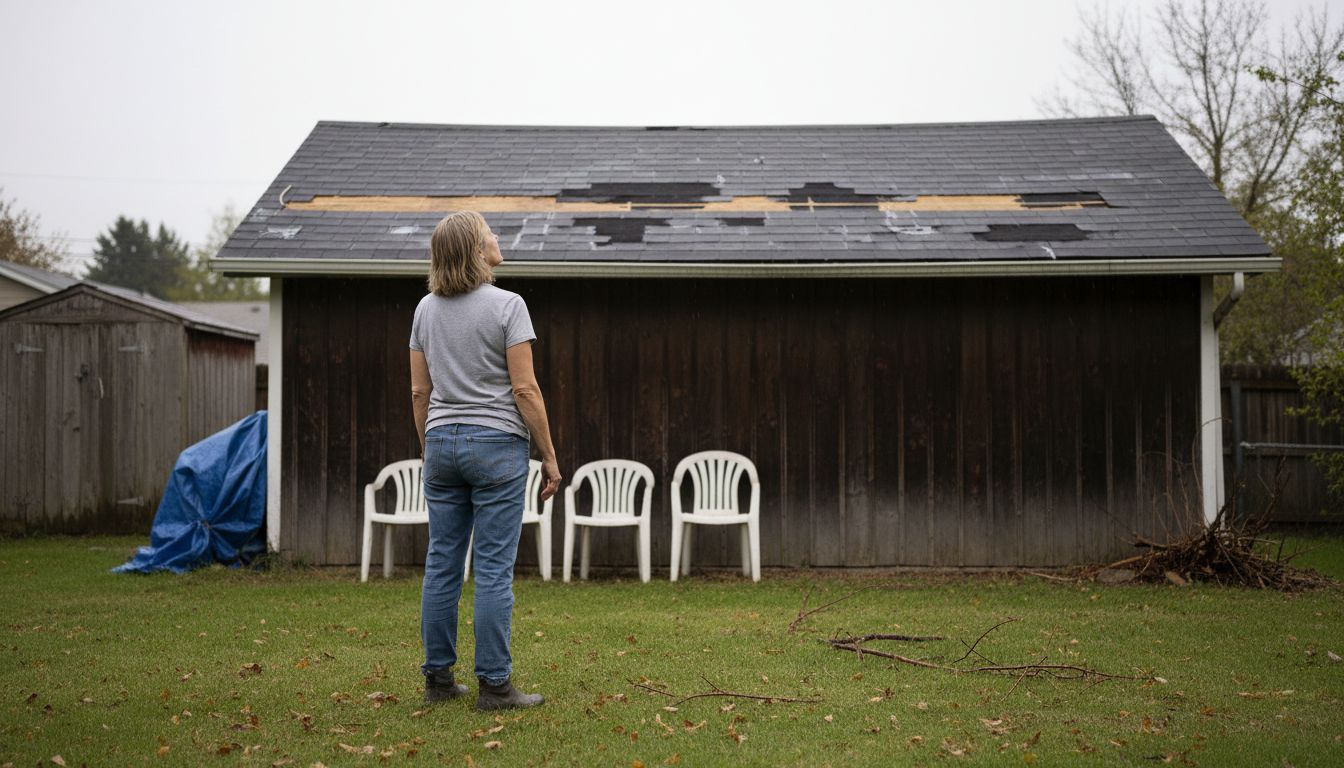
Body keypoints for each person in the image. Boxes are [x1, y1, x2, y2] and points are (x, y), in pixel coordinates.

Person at [409, 210, 561, 711]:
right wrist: (550, 456)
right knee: (493, 570)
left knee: (441, 564)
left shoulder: (425, 310)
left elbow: (419, 392)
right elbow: (525, 388)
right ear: (477, 251)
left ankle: (437, 681)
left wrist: (431, 449)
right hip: (496, 444)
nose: (498, 237)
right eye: (489, 232)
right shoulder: (509, 305)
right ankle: (495, 686)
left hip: (441, 444)